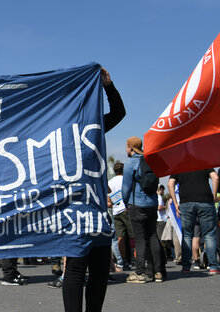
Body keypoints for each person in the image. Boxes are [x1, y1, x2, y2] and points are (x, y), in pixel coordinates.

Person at [61, 67, 125, 312]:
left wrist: (109, 86)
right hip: (73, 208)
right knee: (76, 267)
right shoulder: (56, 131)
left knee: (100, 267)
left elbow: (119, 113)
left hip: (96, 206)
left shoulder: (93, 127)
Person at [121, 136, 166, 283]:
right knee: (153, 235)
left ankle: (139, 273)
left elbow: (126, 188)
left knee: (140, 238)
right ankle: (158, 272)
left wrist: (126, 203)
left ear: (130, 147)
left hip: (137, 204)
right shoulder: (151, 160)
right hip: (152, 204)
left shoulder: (130, 163)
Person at [168, 169, 219, 275]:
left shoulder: (179, 165)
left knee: (187, 235)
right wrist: (213, 196)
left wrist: (175, 202)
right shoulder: (203, 163)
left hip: (186, 202)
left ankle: (186, 266)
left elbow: (170, 183)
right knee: (209, 234)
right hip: (205, 201)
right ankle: (213, 266)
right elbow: (215, 177)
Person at [108, 162, 133, 270]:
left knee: (120, 237)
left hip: (115, 211)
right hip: (126, 209)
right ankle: (140, 258)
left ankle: (122, 261)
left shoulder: (110, 182)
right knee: (135, 235)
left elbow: (108, 200)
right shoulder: (126, 180)